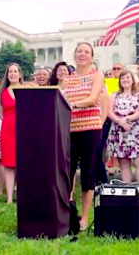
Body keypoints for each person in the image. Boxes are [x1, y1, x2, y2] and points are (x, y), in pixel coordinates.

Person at [62, 42, 105, 230]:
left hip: (90, 129)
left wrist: (74, 104)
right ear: (74, 55)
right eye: (79, 51)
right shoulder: (67, 79)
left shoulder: (97, 75)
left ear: (92, 57)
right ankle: (67, 213)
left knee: (88, 175)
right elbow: (60, 100)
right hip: (69, 131)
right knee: (67, 173)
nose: (82, 54)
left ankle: (84, 218)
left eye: (86, 52)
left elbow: (94, 98)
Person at [106, 70, 139, 184]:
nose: (125, 80)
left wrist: (127, 119)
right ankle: (128, 190)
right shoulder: (114, 95)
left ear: (132, 80)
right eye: (122, 78)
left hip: (136, 130)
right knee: (124, 163)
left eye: (128, 78)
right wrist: (120, 122)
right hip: (119, 131)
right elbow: (109, 112)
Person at [0, 63, 23, 204]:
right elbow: (1, 114)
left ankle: (21, 195)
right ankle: (9, 197)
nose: (13, 74)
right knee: (9, 164)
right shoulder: (3, 92)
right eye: (10, 72)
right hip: (8, 129)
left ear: (20, 74)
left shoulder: (26, 89)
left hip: (23, 129)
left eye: (15, 71)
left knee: (22, 163)